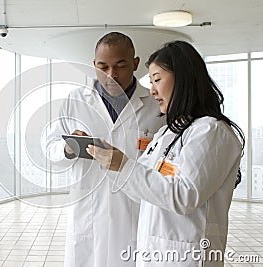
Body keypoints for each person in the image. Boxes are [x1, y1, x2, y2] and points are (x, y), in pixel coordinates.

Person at [88, 40, 245, 267]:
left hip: (188, 256)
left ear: (183, 78)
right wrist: (113, 164)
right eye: (150, 81)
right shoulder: (168, 133)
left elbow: (184, 196)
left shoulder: (211, 131)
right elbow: (142, 191)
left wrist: (123, 165)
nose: (152, 90)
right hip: (156, 254)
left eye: (157, 80)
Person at [45, 32, 165, 266]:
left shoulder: (155, 105)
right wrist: (67, 149)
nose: (112, 75)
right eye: (103, 66)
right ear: (94, 65)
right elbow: (50, 148)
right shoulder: (76, 100)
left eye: (120, 66)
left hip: (136, 213)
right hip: (89, 214)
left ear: (136, 64)